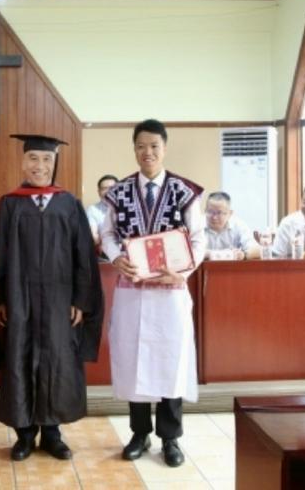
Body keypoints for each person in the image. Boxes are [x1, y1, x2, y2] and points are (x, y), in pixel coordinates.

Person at [100, 119, 206, 468]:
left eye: (154, 146)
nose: (148, 153)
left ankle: (171, 439)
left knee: (170, 361)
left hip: (170, 290)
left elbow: (198, 239)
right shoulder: (118, 193)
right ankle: (139, 433)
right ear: (134, 149)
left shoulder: (185, 191)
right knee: (133, 361)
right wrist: (116, 258)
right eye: (141, 146)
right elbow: (109, 233)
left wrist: (183, 271)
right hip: (132, 291)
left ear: (164, 148)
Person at [0, 134, 104, 462]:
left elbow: (83, 254)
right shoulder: (9, 203)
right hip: (20, 297)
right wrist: (0, 299)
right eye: (33, 159)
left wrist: (81, 301)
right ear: (22, 161)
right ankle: (25, 434)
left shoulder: (68, 203)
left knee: (57, 359)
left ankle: (53, 433)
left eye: (46, 160)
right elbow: (1, 253)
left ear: (54, 164)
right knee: (21, 357)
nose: (39, 166)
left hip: (59, 299)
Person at [204, 191, 260, 260]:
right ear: (205, 210)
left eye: (219, 213)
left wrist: (243, 255)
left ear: (230, 213)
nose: (214, 217)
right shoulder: (196, 226)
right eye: (210, 212)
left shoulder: (239, 225)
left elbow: (257, 250)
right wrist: (205, 254)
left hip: (232, 269)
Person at [86, 174, 118, 247]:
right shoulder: (93, 209)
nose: (108, 191)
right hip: (104, 251)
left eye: (112, 188)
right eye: (104, 188)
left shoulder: (127, 206)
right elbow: (94, 235)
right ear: (98, 192)